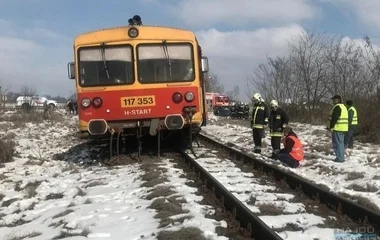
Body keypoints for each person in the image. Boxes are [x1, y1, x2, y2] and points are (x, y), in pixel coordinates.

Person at [326, 95, 348, 162]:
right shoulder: (344, 107)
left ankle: (339, 158)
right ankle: (341, 157)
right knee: (341, 144)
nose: (333, 101)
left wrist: (330, 127)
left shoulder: (337, 107)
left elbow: (334, 118)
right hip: (343, 128)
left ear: (338, 100)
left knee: (337, 144)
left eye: (334, 99)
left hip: (337, 128)